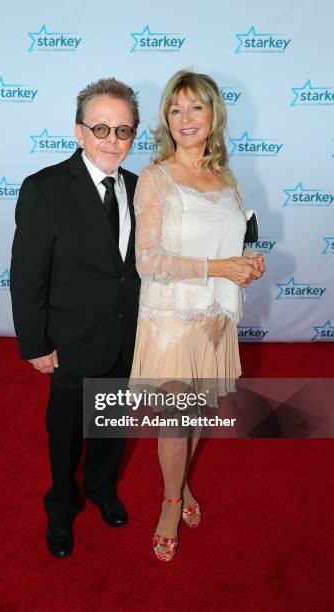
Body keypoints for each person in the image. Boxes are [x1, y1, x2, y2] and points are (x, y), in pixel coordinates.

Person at [130, 70, 265, 561]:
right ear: (166, 118)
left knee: (197, 412)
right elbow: (149, 261)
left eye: (196, 108)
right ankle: (170, 501)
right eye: (175, 109)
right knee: (174, 416)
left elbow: (233, 242)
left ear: (213, 116)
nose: (186, 118)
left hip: (215, 317)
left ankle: (181, 484)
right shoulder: (155, 177)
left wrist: (246, 264)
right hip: (170, 319)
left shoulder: (226, 177)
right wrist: (218, 266)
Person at [10, 78, 140, 558]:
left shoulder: (140, 188)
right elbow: (26, 276)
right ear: (79, 132)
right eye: (101, 128)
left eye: (123, 130)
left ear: (133, 136)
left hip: (126, 337)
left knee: (110, 425)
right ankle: (61, 507)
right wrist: (35, 343)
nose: (112, 140)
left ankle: (103, 490)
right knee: (64, 433)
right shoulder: (44, 189)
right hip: (69, 341)